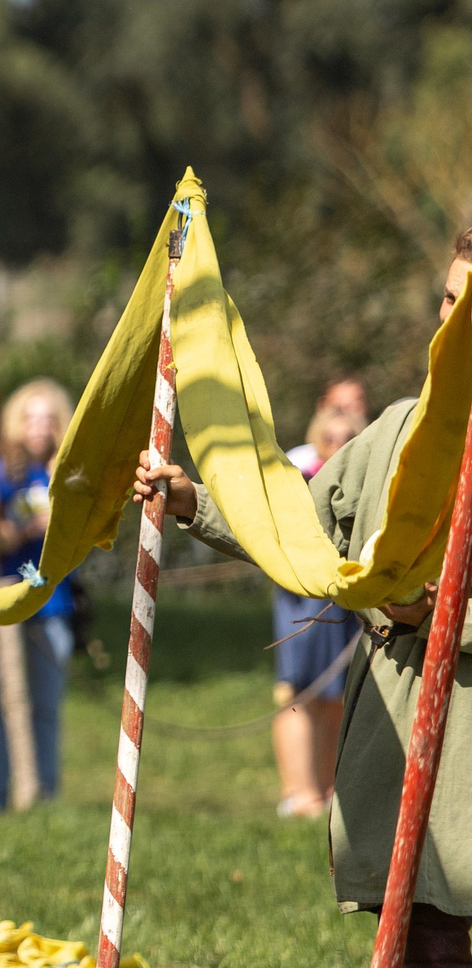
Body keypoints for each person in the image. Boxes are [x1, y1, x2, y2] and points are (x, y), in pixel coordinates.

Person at [139, 228, 472, 954]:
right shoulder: (396, 428)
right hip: (399, 720)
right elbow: (302, 523)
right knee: (422, 929)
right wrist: (196, 500)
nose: (452, 319)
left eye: (468, 305)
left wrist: (446, 611)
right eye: (448, 298)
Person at [0, 378, 75, 809]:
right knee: (3, 701)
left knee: (47, 703)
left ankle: (44, 795)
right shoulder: (1, 471)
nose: (38, 426)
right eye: (30, 416)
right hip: (11, 593)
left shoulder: (69, 471)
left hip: (56, 602)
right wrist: (23, 531)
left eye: (48, 417)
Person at [269, 382, 367, 819]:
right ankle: (297, 791)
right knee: (299, 691)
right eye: (331, 438)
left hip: (346, 595)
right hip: (301, 596)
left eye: (346, 440)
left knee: (336, 694)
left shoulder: (365, 475)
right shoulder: (297, 465)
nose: (337, 446)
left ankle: (326, 791)